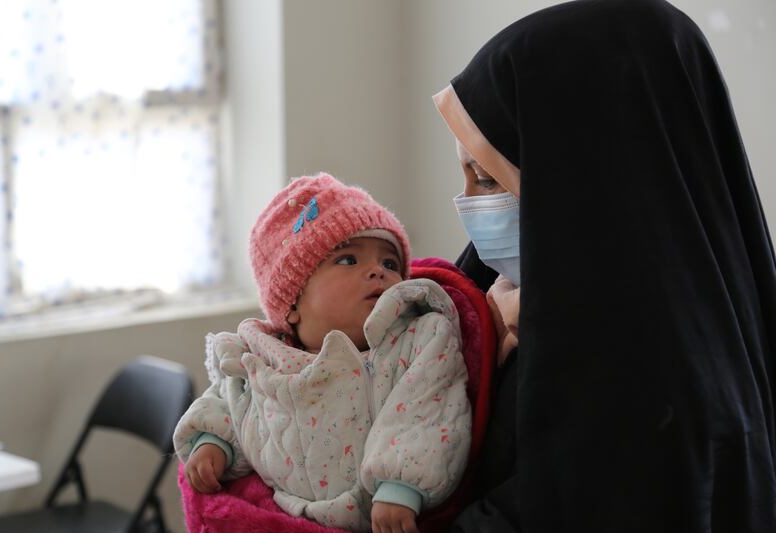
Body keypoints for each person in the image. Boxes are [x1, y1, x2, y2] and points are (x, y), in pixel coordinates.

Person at [432, 0, 776, 531]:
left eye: (490, 178)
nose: (470, 205)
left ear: (587, 177)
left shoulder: (648, 393)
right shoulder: (505, 297)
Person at [173, 173, 471, 533]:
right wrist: (213, 441)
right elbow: (230, 399)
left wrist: (399, 484)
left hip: (378, 512)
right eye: (348, 260)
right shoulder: (262, 355)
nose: (377, 271)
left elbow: (426, 407)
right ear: (293, 301)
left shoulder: (415, 340)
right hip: (285, 511)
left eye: (391, 264)